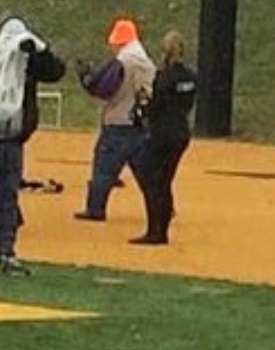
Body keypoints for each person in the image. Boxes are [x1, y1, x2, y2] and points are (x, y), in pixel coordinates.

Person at [0, 17, 65, 275]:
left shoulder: (28, 65)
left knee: (8, 200)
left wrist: (39, 48)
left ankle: (5, 254)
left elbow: (56, 71)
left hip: (13, 141)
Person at [75, 17, 155, 222]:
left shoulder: (122, 62)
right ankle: (160, 206)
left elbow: (104, 88)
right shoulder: (147, 63)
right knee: (147, 171)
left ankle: (95, 208)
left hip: (118, 121)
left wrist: (87, 79)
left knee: (103, 167)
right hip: (141, 124)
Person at [130, 31, 197, 246]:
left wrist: (143, 109)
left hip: (163, 134)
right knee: (165, 180)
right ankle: (162, 230)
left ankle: (154, 230)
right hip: (181, 133)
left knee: (150, 178)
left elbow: (155, 107)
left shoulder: (164, 77)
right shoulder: (190, 77)